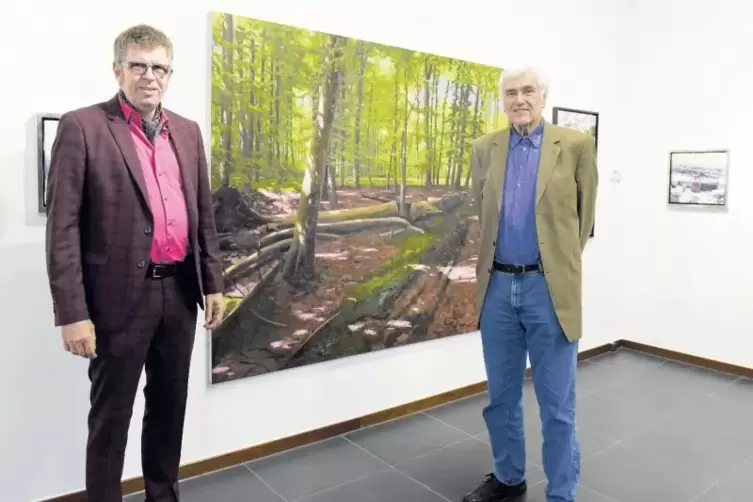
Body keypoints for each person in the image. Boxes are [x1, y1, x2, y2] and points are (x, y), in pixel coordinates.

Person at [45, 24, 225, 501]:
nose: (151, 76)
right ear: (118, 70)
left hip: (179, 295)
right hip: (116, 300)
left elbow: (202, 214)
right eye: (140, 66)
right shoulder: (83, 126)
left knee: (169, 410)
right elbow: (61, 228)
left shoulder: (186, 132)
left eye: (160, 67)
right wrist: (72, 313)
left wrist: (214, 282)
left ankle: (162, 496)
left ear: (170, 73)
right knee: (111, 419)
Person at [462, 68, 598, 502]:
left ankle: (561, 493)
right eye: (510, 93)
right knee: (500, 398)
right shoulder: (485, 149)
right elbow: (484, 217)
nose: (519, 99)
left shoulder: (575, 145)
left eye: (528, 91)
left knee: (557, 405)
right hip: (498, 288)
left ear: (543, 96)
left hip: (548, 290)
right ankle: (508, 477)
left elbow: (584, 219)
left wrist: (552, 267)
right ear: (503, 100)